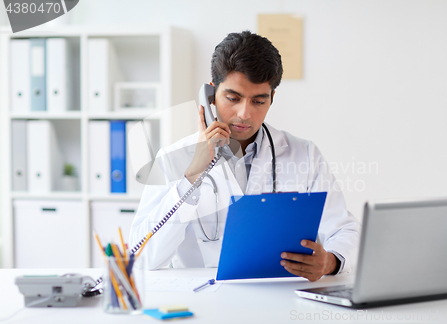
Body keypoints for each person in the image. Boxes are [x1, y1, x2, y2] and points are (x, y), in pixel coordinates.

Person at [130, 31, 360, 281]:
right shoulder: (172, 159)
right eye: (233, 98)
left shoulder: (303, 154)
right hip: (203, 304)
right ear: (210, 95)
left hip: (278, 297)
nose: (244, 113)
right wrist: (191, 177)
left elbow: (344, 230)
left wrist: (330, 261)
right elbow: (143, 258)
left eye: (258, 101)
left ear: (272, 98)